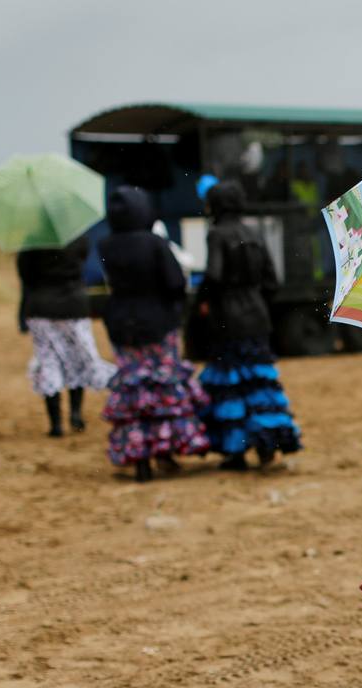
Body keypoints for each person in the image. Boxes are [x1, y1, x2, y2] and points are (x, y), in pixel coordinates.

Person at [97, 186, 209, 482]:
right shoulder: (155, 243)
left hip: (121, 323)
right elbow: (174, 282)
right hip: (157, 322)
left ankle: (140, 459)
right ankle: (163, 451)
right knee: (161, 388)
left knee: (134, 389)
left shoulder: (106, 245)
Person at [193, 181, 302, 470]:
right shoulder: (254, 232)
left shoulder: (216, 234)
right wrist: (255, 299)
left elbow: (214, 275)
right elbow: (272, 281)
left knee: (231, 385)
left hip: (227, 319)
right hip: (257, 317)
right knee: (259, 383)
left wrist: (202, 301)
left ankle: (236, 452)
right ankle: (269, 446)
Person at [17, 236, 115, 436]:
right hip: (74, 304)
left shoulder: (32, 241)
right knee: (76, 358)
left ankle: (55, 424)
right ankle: (76, 414)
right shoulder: (77, 237)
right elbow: (83, 261)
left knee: (48, 361)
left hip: (41, 306)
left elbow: (25, 274)